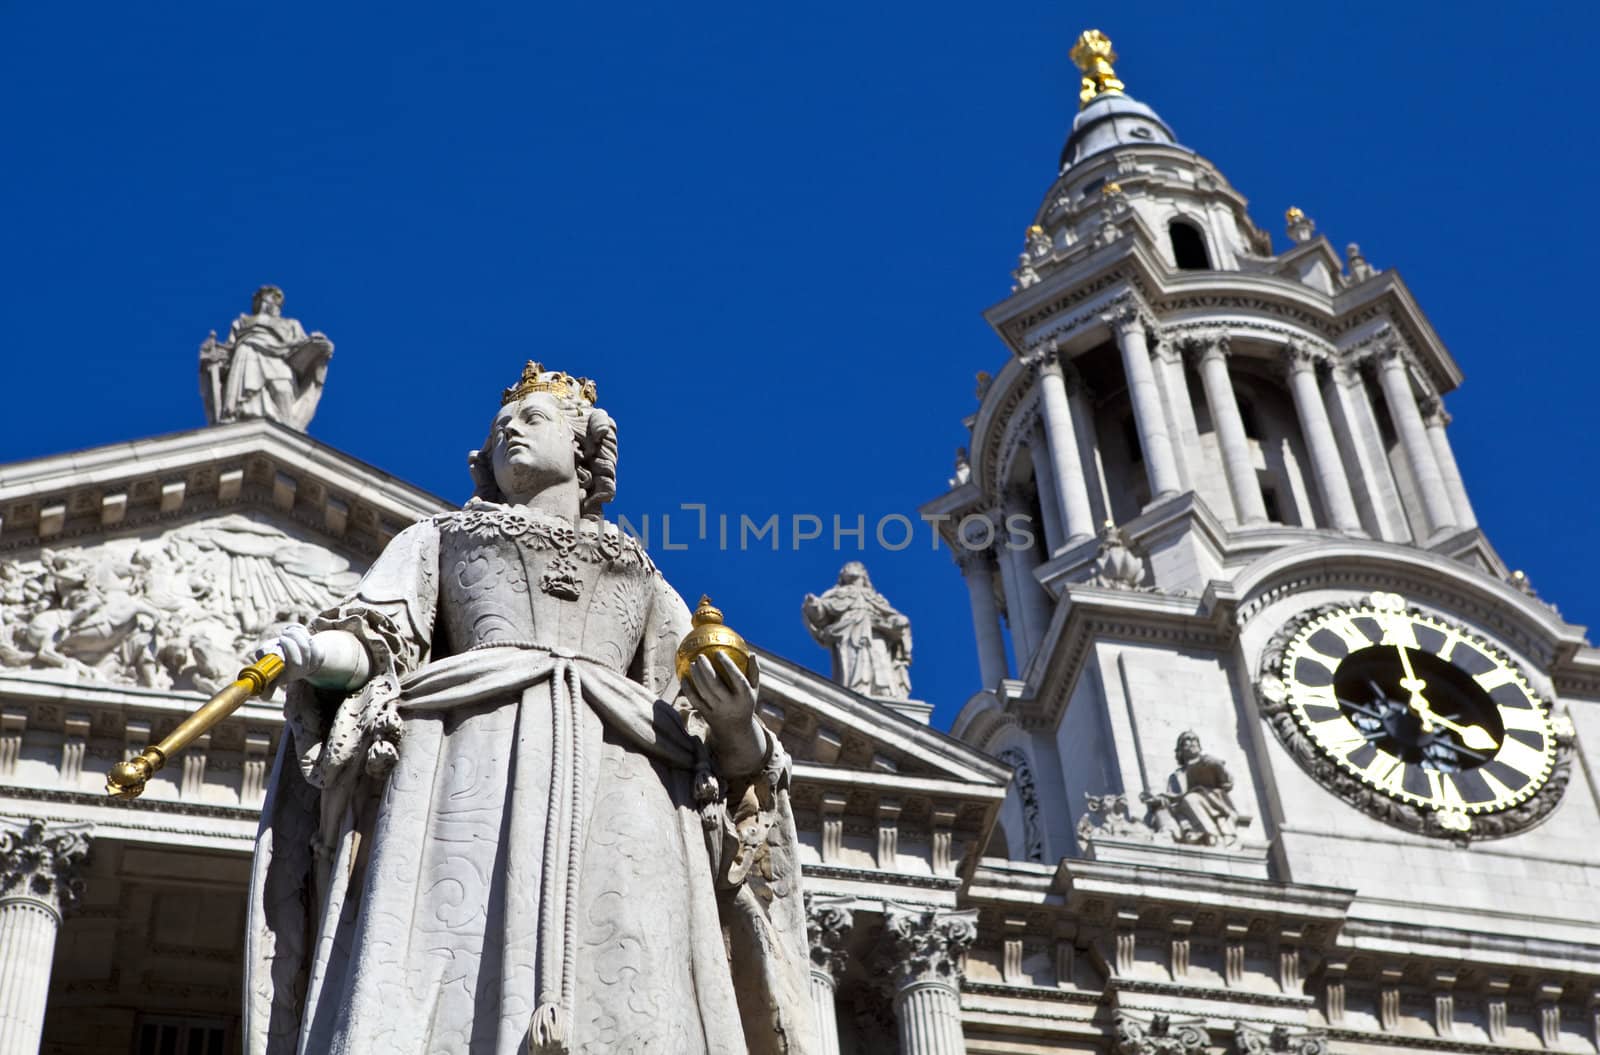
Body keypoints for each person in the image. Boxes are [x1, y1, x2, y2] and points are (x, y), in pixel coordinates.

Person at [245, 362, 814, 1054]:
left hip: (628, 785)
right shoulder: (438, 539)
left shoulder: (643, 574)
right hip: (463, 764)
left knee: (638, 970)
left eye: (532, 419)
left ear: (584, 447)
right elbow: (378, 644)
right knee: (449, 958)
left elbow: (711, 734)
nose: (511, 427)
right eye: (500, 426)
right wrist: (314, 654)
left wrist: (737, 725)